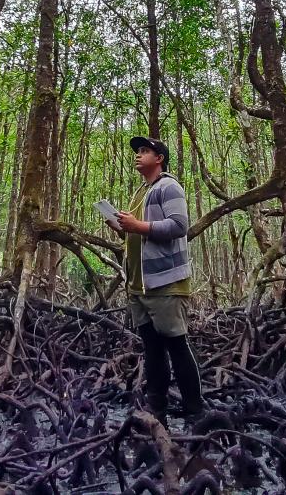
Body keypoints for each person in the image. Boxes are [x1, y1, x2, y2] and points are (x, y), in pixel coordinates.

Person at [107, 135, 204, 426]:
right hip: (139, 285)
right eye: (137, 151)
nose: (138, 155)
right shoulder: (141, 192)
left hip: (165, 283)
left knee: (177, 345)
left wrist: (138, 225)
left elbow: (179, 226)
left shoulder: (168, 186)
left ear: (159, 158)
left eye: (144, 151)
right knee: (152, 348)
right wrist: (121, 225)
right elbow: (138, 233)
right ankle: (156, 407)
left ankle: (195, 411)